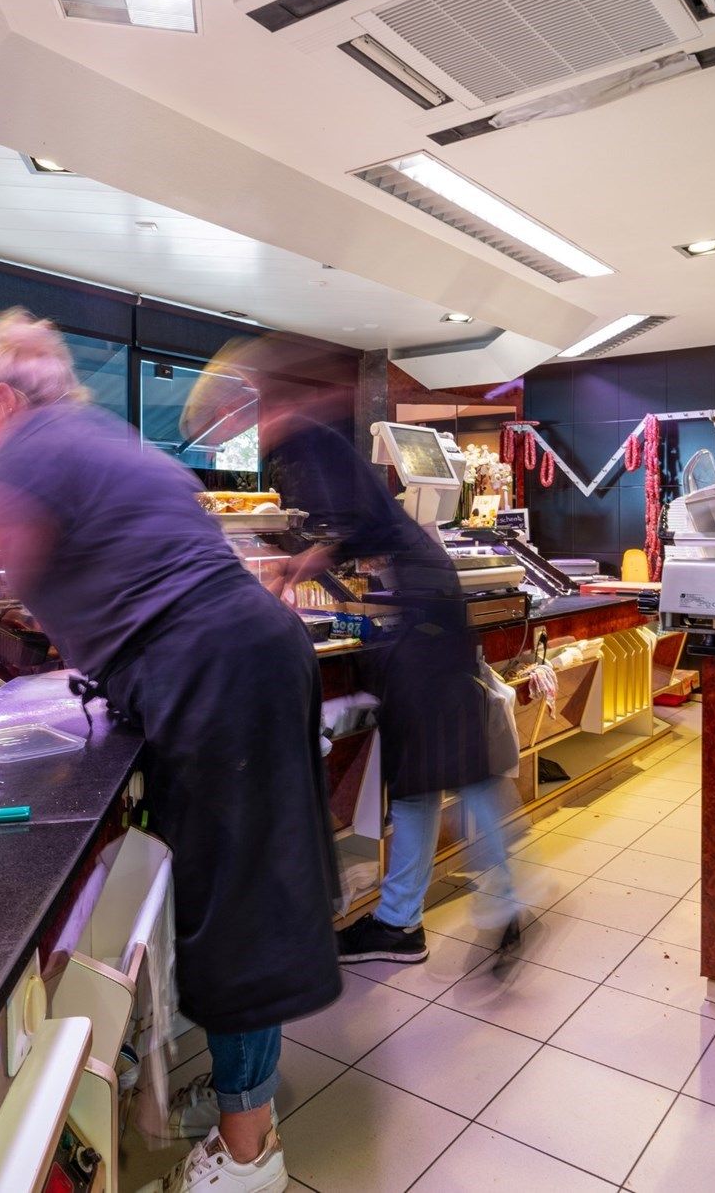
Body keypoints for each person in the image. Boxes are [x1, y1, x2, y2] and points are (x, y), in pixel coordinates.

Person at [0, 311, 337, 1193]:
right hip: (241, 660)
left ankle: (246, 1157)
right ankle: (237, 1103)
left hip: (215, 675)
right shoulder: (85, 433)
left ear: (1, 399)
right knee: (243, 895)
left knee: (236, 913)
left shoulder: (31, 444)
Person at [183, 338, 520, 969]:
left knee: (432, 775)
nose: (238, 435)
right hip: (426, 612)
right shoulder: (308, 442)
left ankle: (427, 915)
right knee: (449, 770)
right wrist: (309, 559)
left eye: (227, 423)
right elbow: (368, 525)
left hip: (421, 616)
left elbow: (368, 524)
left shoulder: (303, 443)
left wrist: (306, 560)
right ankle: (463, 905)